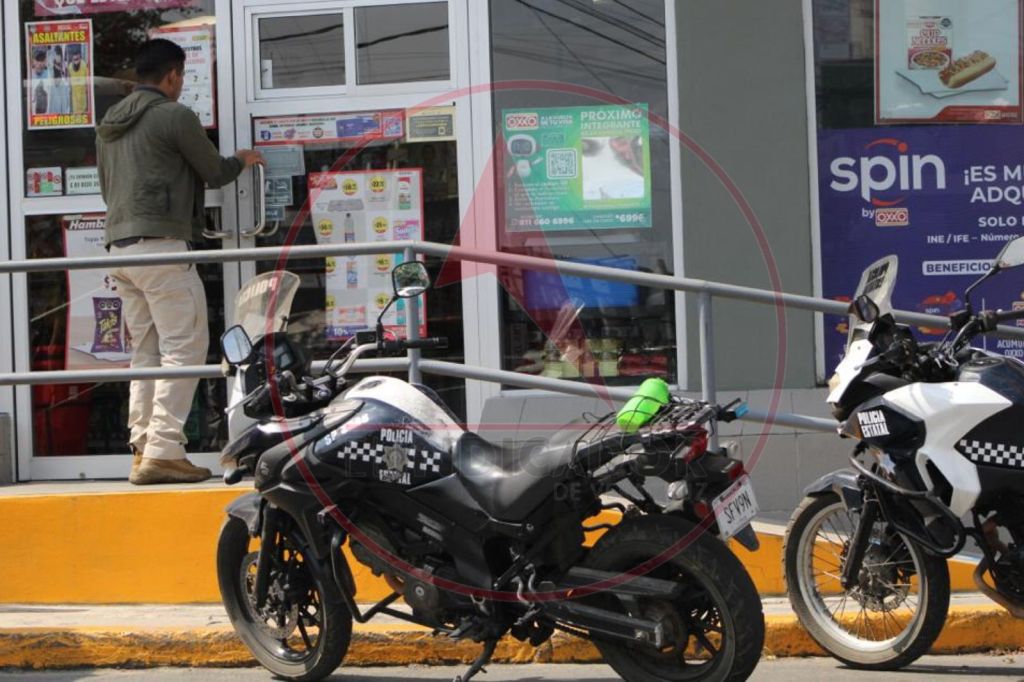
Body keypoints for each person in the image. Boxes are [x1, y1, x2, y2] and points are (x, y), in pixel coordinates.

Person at [96, 39, 264, 484]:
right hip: (162, 248)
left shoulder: (109, 123)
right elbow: (215, 172)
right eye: (182, 77)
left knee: (146, 350)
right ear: (172, 75)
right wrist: (242, 160)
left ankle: (142, 446)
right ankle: (165, 450)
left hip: (120, 248)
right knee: (183, 347)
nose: (182, 84)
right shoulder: (175, 115)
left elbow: (107, 187)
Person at [67, 44, 89, 115]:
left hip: (82, 92)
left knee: (83, 111)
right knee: (76, 111)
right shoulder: (70, 67)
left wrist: (86, 88)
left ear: (79, 57)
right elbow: (69, 79)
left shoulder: (84, 65)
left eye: (77, 59)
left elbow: (87, 78)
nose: (76, 61)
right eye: (74, 59)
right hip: (75, 94)